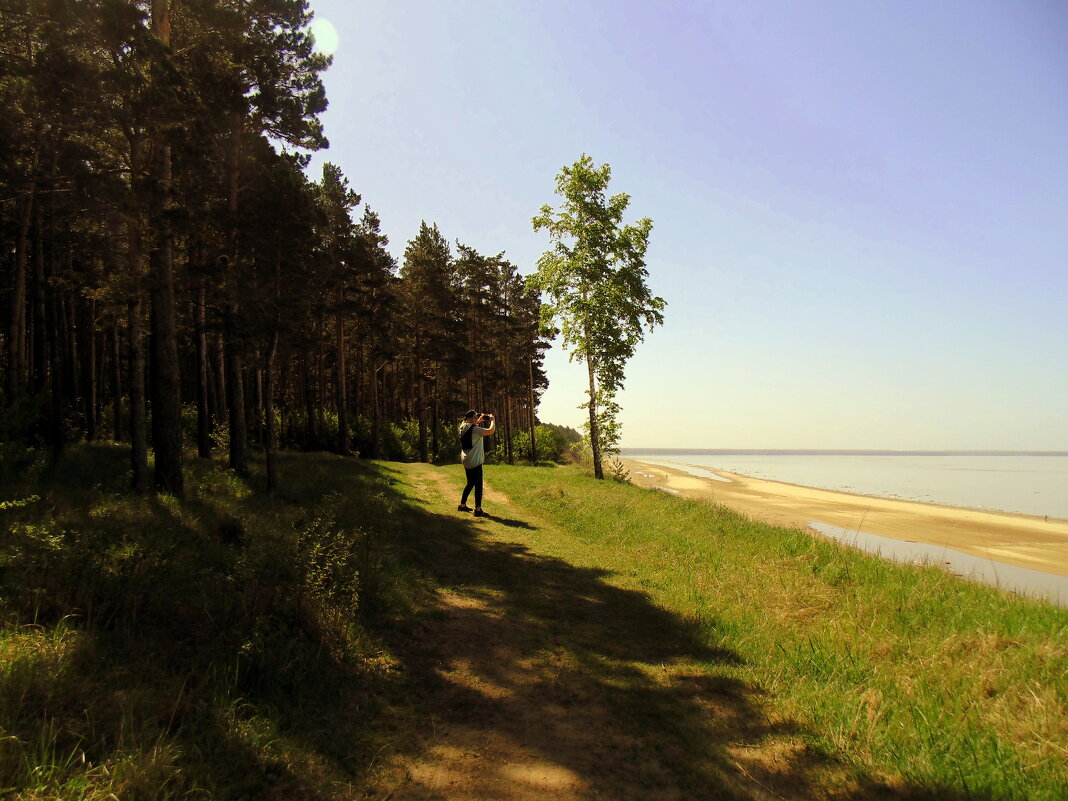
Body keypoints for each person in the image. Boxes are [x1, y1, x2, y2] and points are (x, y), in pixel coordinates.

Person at [458, 409, 495, 517]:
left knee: (470, 483)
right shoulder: (475, 430)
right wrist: (492, 420)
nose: (476, 419)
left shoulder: (462, 426)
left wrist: (478, 420)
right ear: (469, 419)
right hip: (475, 461)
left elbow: (471, 427)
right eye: (474, 417)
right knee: (478, 485)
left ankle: (462, 505)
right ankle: (478, 509)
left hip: (466, 459)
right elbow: (490, 431)